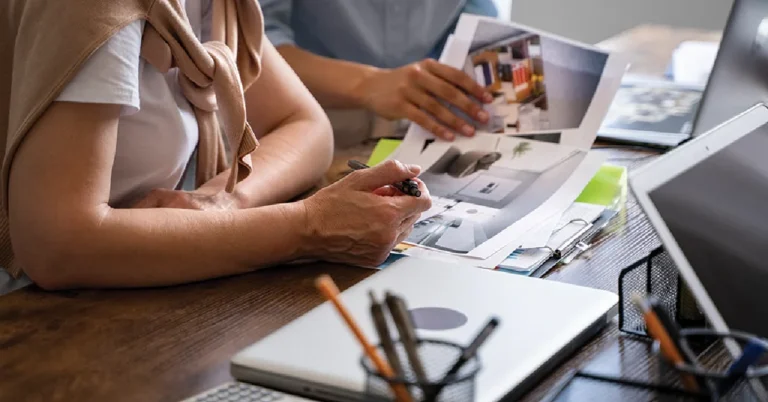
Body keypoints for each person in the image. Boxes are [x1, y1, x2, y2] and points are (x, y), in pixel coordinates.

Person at [0, 0, 431, 291]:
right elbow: (57, 247)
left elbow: (305, 124)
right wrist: (308, 227)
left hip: (129, 288)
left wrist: (222, 202)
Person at [261, 0, 500, 142]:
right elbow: (248, 44)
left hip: (423, 120)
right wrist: (368, 84)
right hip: (304, 118)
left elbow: (476, 25)